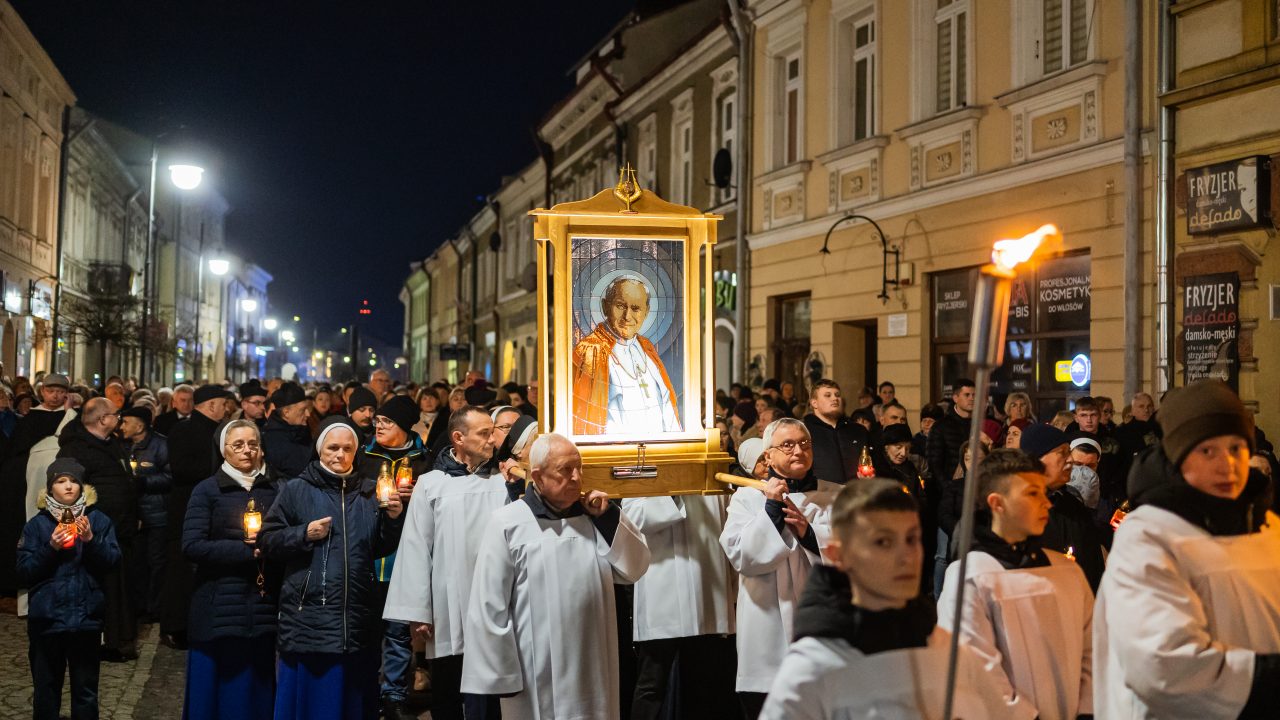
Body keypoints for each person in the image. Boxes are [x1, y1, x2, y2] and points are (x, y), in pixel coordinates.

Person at [761, 479, 1033, 720]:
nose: (906, 556)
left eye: (912, 539)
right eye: (883, 542)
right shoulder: (813, 668)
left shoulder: (946, 647)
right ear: (838, 555)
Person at [1094, 380, 1280, 718]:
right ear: (1177, 456)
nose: (1227, 465)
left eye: (1237, 448)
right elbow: (1162, 665)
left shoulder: (1267, 527)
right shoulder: (1149, 537)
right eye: (1208, 451)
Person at [461, 433, 650, 719]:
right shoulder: (508, 523)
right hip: (533, 667)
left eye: (579, 468)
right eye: (565, 469)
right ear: (538, 476)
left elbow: (634, 568)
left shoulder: (595, 517)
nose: (577, 477)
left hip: (592, 662)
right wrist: (501, 674)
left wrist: (609, 517)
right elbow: (489, 605)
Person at [260, 417, 405, 720]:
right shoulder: (297, 489)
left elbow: (377, 547)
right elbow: (269, 540)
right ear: (319, 449)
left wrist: (393, 521)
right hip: (310, 613)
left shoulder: (369, 492)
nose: (340, 455)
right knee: (316, 703)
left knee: (353, 700)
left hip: (357, 613)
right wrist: (303, 534)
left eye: (347, 448)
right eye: (333, 448)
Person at [938, 449, 1093, 720]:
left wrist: (1087, 711)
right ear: (997, 503)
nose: (1046, 503)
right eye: (1033, 493)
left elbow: (1093, 649)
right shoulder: (970, 577)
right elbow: (974, 670)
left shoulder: (1067, 571)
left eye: (1044, 492)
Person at [384, 406, 507, 720]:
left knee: (491, 694)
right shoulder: (431, 484)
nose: (492, 439)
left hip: (494, 601)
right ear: (458, 438)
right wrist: (418, 611)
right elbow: (416, 547)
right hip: (447, 605)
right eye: (484, 433)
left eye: (493, 432)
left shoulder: (503, 482)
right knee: (447, 691)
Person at [720, 418, 835, 718]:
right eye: (787, 445)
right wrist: (771, 510)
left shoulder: (837, 496)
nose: (798, 451)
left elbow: (854, 555)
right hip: (766, 624)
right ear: (768, 456)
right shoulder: (747, 498)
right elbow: (741, 556)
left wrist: (810, 534)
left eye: (805, 444)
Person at [182, 420, 281, 720]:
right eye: (238, 445)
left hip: (262, 603)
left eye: (252, 444)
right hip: (219, 603)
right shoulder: (207, 490)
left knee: (257, 688)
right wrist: (247, 552)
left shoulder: (274, 488)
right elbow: (192, 545)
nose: (247, 450)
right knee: (217, 690)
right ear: (223, 449)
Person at [623, 466, 736, 718]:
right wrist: (673, 488)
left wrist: (732, 585)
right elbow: (634, 518)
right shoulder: (646, 463)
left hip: (708, 587)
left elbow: (727, 525)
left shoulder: (710, 463)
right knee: (653, 682)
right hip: (662, 589)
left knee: (705, 684)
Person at [18, 458, 122, 720]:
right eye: (61, 481)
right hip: (47, 620)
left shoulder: (98, 520)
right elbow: (24, 571)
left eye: (74, 481)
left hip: (85, 619)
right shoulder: (37, 525)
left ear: (82, 486)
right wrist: (50, 548)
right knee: (46, 689)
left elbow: (113, 562)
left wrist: (91, 541)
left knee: (85, 691)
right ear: (50, 488)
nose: (68, 486)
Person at [356, 394, 430, 719]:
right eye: (378, 420)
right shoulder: (365, 456)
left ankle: (394, 695)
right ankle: (367, 692)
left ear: (404, 426)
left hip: (405, 556)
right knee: (369, 630)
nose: (379, 425)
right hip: (371, 555)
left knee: (399, 631)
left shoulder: (424, 460)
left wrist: (418, 498)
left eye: (387, 421)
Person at [56, 397, 137, 660]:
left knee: (118, 588)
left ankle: (117, 638)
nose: (119, 419)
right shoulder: (76, 450)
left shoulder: (112, 444)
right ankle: (99, 640)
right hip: (93, 534)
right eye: (116, 415)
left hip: (120, 530)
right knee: (100, 588)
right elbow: (67, 493)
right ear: (103, 419)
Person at [161, 384, 232, 649]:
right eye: (222, 404)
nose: (225, 409)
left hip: (210, 509)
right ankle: (175, 626)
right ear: (211, 405)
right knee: (180, 570)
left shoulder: (221, 431)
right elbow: (181, 469)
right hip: (186, 508)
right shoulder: (184, 430)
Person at [572, 275, 681, 435]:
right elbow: (584, 415)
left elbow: (666, 403)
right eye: (620, 306)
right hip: (614, 448)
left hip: (658, 447)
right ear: (605, 306)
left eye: (635, 308)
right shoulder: (591, 350)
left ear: (646, 312)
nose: (627, 316)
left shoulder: (647, 349)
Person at [1021, 423, 1106, 591]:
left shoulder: (1074, 506)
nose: (1070, 460)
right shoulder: (1016, 508)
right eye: (1062, 453)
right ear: (1036, 459)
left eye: (1069, 452)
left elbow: (1093, 568)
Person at [119, 406, 170, 623]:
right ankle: (139, 605)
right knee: (137, 561)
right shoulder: (123, 445)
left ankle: (154, 607)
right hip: (133, 513)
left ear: (139, 425)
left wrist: (143, 482)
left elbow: (170, 476)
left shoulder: (161, 445)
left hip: (156, 513)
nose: (122, 426)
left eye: (126, 422)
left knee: (156, 561)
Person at [802, 379, 868, 485]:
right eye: (828, 395)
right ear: (814, 403)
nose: (835, 398)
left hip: (856, 492)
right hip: (820, 493)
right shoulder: (803, 431)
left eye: (837, 395)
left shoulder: (857, 430)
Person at [262, 382, 313, 479]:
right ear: (286, 413)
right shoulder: (272, 440)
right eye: (302, 410)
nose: (308, 414)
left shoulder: (301, 430)